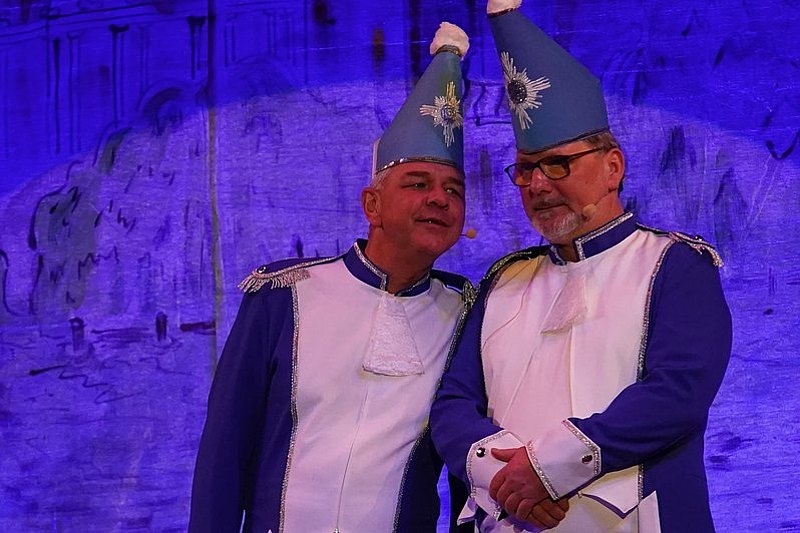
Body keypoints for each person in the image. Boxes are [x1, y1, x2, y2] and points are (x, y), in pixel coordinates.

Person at [430, 2, 732, 532]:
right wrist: (502, 474)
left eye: (558, 164)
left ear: (613, 167)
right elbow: (454, 401)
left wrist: (547, 468)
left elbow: (678, 392)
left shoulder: (675, 264)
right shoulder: (502, 280)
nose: (538, 185)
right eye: (526, 169)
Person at [189, 22, 475, 533]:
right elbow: (224, 452)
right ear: (372, 205)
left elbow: (465, 472)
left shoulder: (466, 313)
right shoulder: (284, 294)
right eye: (417, 184)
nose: (439, 199)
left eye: (453, 190)